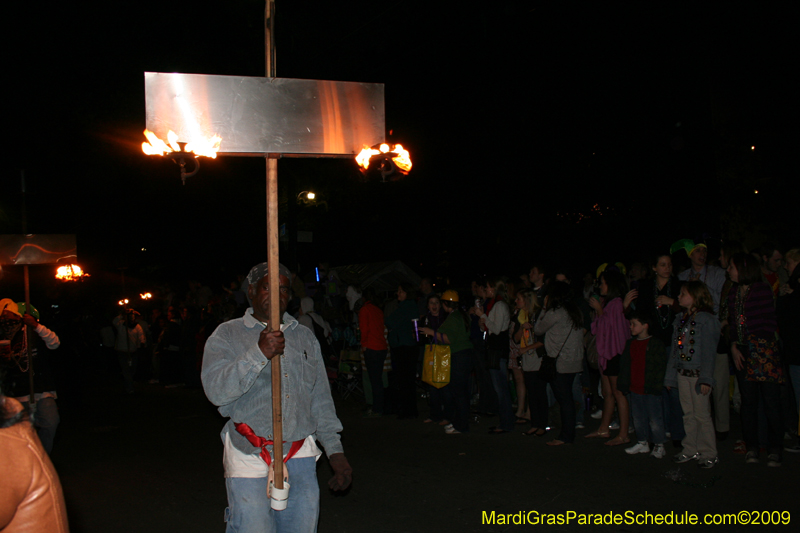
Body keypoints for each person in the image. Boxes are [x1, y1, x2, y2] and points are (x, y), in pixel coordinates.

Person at [202, 262, 352, 533]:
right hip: (250, 453)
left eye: (283, 288)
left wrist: (335, 451)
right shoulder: (227, 334)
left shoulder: (304, 337)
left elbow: (320, 399)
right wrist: (258, 353)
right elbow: (216, 393)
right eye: (267, 287)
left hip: (299, 455)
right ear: (251, 291)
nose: (277, 294)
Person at [726, 253, 784, 467]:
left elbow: (768, 323)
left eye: (731, 266)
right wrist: (733, 345)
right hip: (742, 350)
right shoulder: (734, 292)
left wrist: (752, 347)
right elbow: (733, 324)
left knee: (770, 401)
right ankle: (752, 446)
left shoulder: (760, 290)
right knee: (748, 402)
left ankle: (775, 448)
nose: (728, 270)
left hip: (762, 350)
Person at [675, 239, 729, 442]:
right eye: (698, 251)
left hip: (714, 330)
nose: (702, 254)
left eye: (704, 251)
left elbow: (720, 299)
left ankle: (722, 427)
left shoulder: (717, 273)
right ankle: (697, 434)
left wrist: (700, 288)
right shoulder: (682, 277)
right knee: (696, 388)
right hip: (692, 338)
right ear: (690, 254)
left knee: (718, 381)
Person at [664, 281, 721, 468]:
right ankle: (691, 448)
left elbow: (709, 352)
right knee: (688, 413)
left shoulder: (706, 319)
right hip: (683, 373)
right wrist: (670, 376)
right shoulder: (681, 318)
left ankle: (709, 452)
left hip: (697, 375)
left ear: (695, 297)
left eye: (683, 294)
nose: (679, 297)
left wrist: (706, 378)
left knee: (702, 414)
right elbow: (675, 350)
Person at [0, 392, 69, 532]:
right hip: (20, 391)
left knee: (50, 420)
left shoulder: (9, 437)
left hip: (39, 388)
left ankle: (43, 459)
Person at [0, 299, 62, 454]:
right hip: (17, 393)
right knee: (22, 432)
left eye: (8, 316)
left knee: (50, 422)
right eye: (2, 318)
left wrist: (35, 325)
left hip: (40, 388)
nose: (6, 321)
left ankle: (43, 455)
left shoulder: (31, 332)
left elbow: (54, 343)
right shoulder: (3, 337)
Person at [533, 282, 584, 446]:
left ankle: (566, 436)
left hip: (560, 362)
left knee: (564, 400)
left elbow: (538, 329)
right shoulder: (575, 311)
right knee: (566, 398)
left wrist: (544, 308)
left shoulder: (555, 312)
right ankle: (568, 432)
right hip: (573, 361)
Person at [586, 270, 632, 445]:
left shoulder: (617, 303)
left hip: (615, 354)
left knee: (618, 393)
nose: (600, 286)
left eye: (603, 283)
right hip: (605, 354)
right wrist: (599, 311)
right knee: (607, 393)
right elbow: (596, 329)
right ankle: (604, 428)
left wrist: (599, 311)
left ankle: (623, 433)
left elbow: (617, 332)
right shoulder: (606, 303)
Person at [420, 290, 474, 434]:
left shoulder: (453, 317)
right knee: (461, 392)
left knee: (459, 393)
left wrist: (431, 332)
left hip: (459, 356)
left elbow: (449, 338)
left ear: (444, 304)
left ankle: (461, 426)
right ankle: (458, 422)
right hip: (465, 355)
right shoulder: (461, 315)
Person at [618, 311, 669, 459]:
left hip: (650, 388)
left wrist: (656, 385)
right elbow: (625, 366)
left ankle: (659, 444)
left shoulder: (655, 344)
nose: (631, 327)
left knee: (655, 418)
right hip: (635, 388)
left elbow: (660, 367)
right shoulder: (631, 344)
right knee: (638, 418)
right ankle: (642, 441)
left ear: (645, 326)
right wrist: (624, 384)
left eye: (634, 324)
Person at [475, 277, 514, 434]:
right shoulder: (496, 305)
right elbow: (490, 328)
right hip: (496, 349)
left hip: (498, 350)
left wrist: (482, 316)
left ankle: (506, 423)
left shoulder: (499, 305)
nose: (486, 291)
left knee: (501, 388)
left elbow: (496, 329)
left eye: (488, 288)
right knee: (500, 388)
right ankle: (505, 421)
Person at [384, 283, 419, 420]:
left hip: (404, 347)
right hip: (405, 346)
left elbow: (391, 321)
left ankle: (408, 410)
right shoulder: (407, 306)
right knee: (407, 380)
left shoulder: (407, 306)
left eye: (400, 291)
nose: (397, 294)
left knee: (405, 380)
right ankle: (410, 409)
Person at [357, 287, 388, 418]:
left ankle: (377, 409)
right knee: (378, 380)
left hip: (372, 348)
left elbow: (364, 329)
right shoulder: (378, 310)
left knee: (374, 380)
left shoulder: (365, 310)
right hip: (381, 347)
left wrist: (364, 345)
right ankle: (379, 407)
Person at [113, 308, 146, 394]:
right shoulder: (121, 324)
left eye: (133, 316)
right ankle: (130, 388)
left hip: (133, 352)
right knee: (126, 370)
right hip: (122, 351)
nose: (132, 317)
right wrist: (122, 314)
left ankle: (127, 384)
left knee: (132, 371)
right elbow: (114, 321)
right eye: (130, 316)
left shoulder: (137, 326)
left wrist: (141, 344)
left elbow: (141, 337)